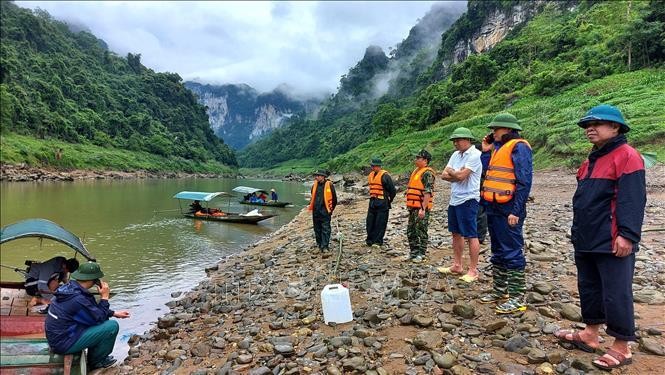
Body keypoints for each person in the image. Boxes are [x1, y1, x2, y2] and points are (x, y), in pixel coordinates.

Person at [553, 104, 646, 371]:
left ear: (615, 127)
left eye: (596, 124)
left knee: (616, 292)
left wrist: (627, 235)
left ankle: (621, 346)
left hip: (612, 238)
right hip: (586, 236)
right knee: (589, 286)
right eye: (586, 125)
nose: (589, 129)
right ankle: (590, 334)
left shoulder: (627, 156)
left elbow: (632, 200)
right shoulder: (591, 159)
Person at [478, 113, 533, 314]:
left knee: (511, 250)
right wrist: (485, 151)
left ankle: (517, 297)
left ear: (508, 130)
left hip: (509, 208)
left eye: (496, 129)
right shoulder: (497, 149)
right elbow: (487, 172)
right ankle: (500, 291)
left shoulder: (520, 147)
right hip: (493, 206)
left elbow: (524, 181)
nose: (493, 132)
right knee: (498, 250)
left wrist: (516, 211)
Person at [45, 262, 130, 370]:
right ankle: (96, 362)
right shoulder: (77, 299)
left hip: (57, 337)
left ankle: (93, 356)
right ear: (93, 280)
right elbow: (97, 318)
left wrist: (113, 313)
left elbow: (91, 310)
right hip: (63, 343)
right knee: (111, 326)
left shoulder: (70, 288)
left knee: (104, 319)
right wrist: (104, 297)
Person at [437, 127, 483, 282]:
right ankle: (457, 265)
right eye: (454, 140)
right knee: (455, 233)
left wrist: (454, 172)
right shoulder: (455, 155)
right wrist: (455, 173)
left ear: (467, 139)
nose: (455, 143)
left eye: (458, 140)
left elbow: (462, 176)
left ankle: (473, 270)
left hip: (469, 199)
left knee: (471, 234)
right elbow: (443, 175)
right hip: (455, 199)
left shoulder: (475, 155)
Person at [406, 149, 435, 263]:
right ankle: (413, 252)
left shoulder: (427, 173)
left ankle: (421, 254)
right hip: (413, 207)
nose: (416, 160)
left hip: (421, 207)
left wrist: (423, 208)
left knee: (421, 230)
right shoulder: (416, 171)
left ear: (425, 160)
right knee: (411, 230)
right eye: (416, 158)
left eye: (418, 158)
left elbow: (428, 192)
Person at [365, 158, 397, 248]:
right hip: (372, 202)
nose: (372, 168)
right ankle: (370, 240)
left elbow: (392, 190)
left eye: (374, 166)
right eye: (372, 166)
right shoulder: (371, 175)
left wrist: (389, 200)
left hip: (382, 202)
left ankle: (378, 241)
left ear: (379, 166)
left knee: (380, 222)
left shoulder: (385, 176)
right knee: (370, 222)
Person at [308, 169, 337, 252]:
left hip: (325, 211)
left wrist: (330, 210)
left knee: (325, 228)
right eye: (316, 176)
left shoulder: (330, 185)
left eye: (318, 175)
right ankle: (319, 243)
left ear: (323, 176)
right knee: (317, 228)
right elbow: (312, 195)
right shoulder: (314, 185)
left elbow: (334, 199)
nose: (316, 177)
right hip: (316, 211)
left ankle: (325, 246)